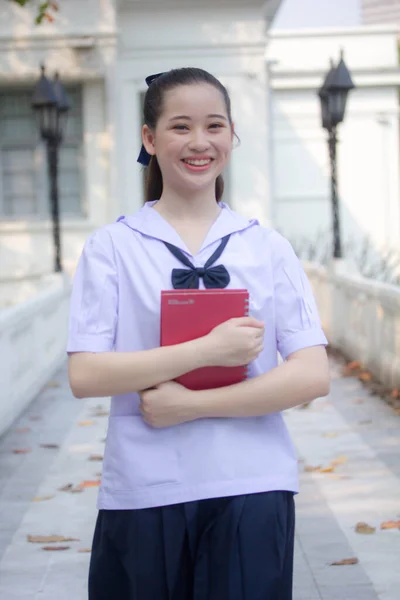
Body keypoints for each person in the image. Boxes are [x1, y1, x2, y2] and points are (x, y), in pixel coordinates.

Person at [67, 67, 330, 600]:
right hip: (144, 487)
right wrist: (205, 350)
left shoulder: (266, 247)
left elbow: (311, 374)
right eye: (180, 126)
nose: (199, 142)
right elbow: (86, 372)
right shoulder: (113, 247)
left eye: (214, 126)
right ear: (149, 138)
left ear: (231, 136)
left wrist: (191, 406)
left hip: (252, 483)